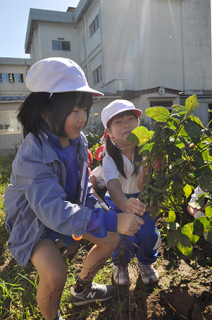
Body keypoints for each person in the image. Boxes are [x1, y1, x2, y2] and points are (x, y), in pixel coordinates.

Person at [4, 58, 145, 320]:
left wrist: (101, 209)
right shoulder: (31, 155)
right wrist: (112, 216)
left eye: (85, 110)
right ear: (47, 113)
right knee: (55, 274)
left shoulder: (76, 139)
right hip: (34, 221)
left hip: (67, 207)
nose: (82, 118)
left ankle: (82, 289)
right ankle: (52, 317)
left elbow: (80, 186)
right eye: (75, 111)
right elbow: (53, 211)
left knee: (112, 239)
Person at [101, 99, 161, 286]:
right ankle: (120, 264)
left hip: (143, 198)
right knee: (123, 236)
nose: (126, 124)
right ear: (109, 132)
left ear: (138, 124)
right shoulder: (109, 156)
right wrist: (124, 205)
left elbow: (148, 183)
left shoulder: (148, 149)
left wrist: (154, 164)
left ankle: (145, 263)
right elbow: (112, 186)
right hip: (119, 201)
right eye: (118, 122)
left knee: (147, 233)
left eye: (130, 118)